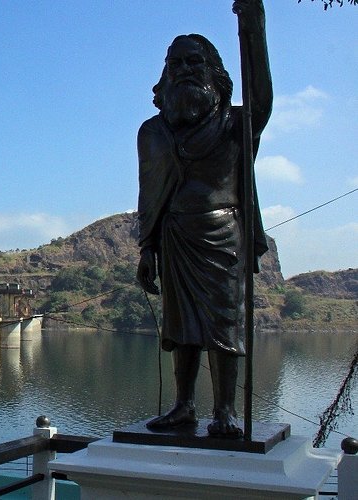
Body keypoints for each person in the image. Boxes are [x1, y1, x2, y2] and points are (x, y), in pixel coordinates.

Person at [136, 0, 271, 438]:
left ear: (213, 70)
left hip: (222, 234)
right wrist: (146, 248)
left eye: (194, 61)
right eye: (175, 63)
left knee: (222, 323)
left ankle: (226, 411)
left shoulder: (236, 124)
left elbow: (262, 94)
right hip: (174, 234)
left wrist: (253, 26)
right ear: (165, 74)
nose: (184, 69)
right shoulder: (153, 133)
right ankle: (183, 405)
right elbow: (150, 197)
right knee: (180, 326)